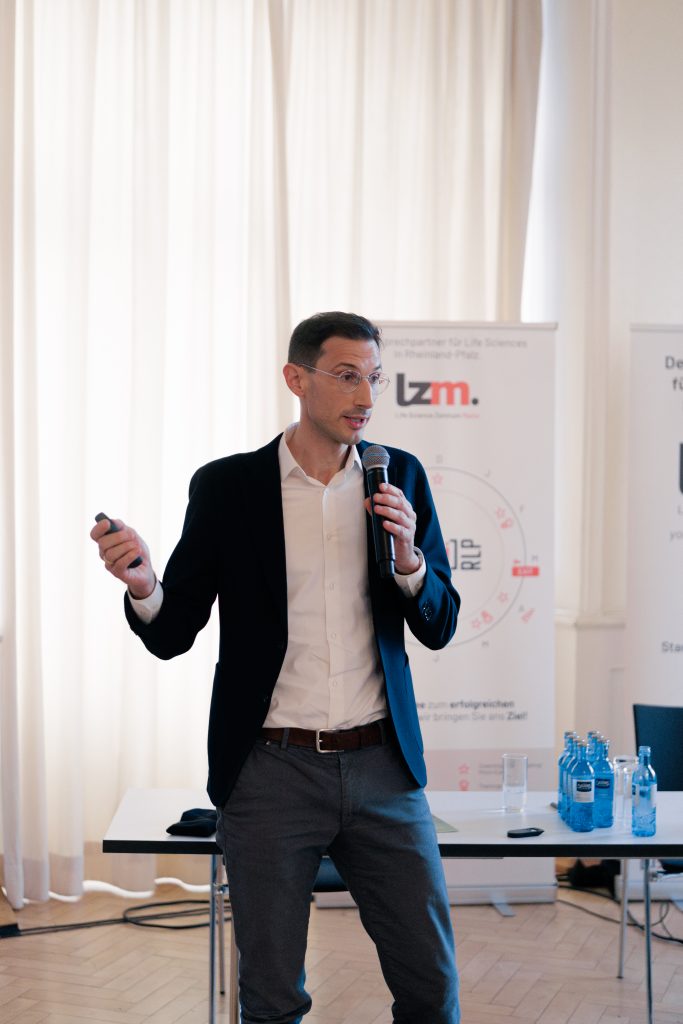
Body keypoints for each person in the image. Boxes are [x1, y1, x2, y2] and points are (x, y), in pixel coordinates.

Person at [91, 311, 461, 1024]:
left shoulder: (399, 477)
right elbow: (174, 631)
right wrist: (143, 585)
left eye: (375, 378)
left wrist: (410, 560)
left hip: (384, 769)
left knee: (430, 986)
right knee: (270, 996)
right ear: (296, 378)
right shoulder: (229, 488)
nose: (365, 397)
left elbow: (438, 625)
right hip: (270, 772)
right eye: (347, 376)